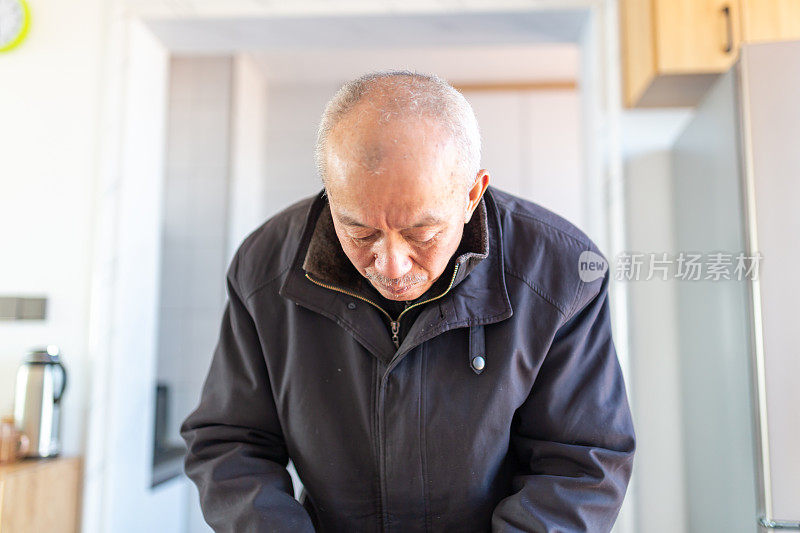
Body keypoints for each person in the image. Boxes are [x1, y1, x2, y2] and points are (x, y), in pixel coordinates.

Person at [180, 70, 635, 532]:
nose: (392, 265)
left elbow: (581, 465)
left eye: (422, 233)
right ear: (330, 194)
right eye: (360, 232)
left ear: (471, 194)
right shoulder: (264, 267)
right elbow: (232, 443)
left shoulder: (560, 273)